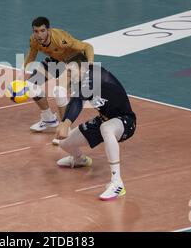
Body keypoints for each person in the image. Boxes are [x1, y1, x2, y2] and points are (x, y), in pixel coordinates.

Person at [55, 63, 136, 200]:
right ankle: (80, 159)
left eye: (69, 70)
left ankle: (117, 182)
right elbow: (74, 100)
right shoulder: (80, 82)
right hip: (103, 120)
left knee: (106, 128)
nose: (67, 74)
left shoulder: (95, 74)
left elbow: (78, 102)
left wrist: (65, 123)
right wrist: (64, 123)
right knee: (64, 143)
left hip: (125, 121)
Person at [23, 17, 94, 142]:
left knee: (59, 91)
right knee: (30, 85)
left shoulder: (61, 39)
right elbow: (31, 56)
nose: (39, 35)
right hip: (56, 60)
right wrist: (21, 76)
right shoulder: (34, 40)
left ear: (48, 30)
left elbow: (87, 46)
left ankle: (66, 129)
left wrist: (90, 65)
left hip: (75, 60)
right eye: (36, 31)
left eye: (42, 30)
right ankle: (48, 118)